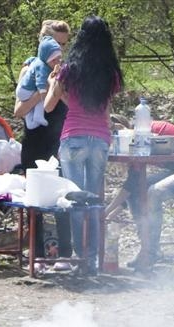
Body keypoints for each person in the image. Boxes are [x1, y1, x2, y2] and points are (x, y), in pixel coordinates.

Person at [44, 15, 123, 275]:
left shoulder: (69, 69)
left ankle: (80, 258)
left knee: (77, 200)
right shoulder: (110, 73)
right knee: (95, 200)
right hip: (100, 138)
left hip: (73, 137)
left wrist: (53, 85)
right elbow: (105, 109)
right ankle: (94, 259)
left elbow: (50, 104)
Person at [106, 117, 174, 271]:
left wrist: (106, 213)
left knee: (155, 191)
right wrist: (108, 214)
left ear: (122, 128)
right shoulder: (132, 144)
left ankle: (150, 253)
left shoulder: (150, 130)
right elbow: (132, 184)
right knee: (139, 190)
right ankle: (147, 247)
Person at [14, 20, 72, 267]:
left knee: (62, 195)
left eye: (64, 45)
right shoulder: (30, 67)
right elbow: (18, 110)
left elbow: (72, 104)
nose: (61, 51)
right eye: (57, 44)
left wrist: (59, 85)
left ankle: (66, 254)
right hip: (34, 140)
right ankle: (36, 254)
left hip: (57, 140)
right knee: (34, 199)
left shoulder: (65, 71)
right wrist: (42, 90)